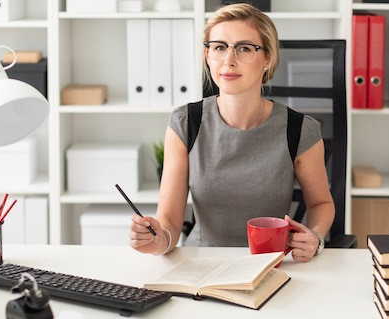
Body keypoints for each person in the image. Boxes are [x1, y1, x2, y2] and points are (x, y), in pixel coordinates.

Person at [129, 3, 334, 262]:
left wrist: (315, 237)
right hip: (202, 263)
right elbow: (168, 221)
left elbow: (321, 204)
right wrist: (158, 240)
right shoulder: (185, 123)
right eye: (218, 47)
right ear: (208, 56)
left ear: (268, 58)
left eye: (245, 48)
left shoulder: (300, 130)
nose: (229, 60)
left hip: (270, 263)